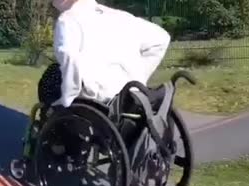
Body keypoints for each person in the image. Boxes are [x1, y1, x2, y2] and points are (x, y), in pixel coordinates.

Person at [38, 0, 171, 109]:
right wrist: (139, 76)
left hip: (97, 99)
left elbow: (69, 58)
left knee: (51, 75)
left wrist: (68, 99)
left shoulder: (67, 20)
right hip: (131, 96)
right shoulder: (120, 16)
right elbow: (161, 39)